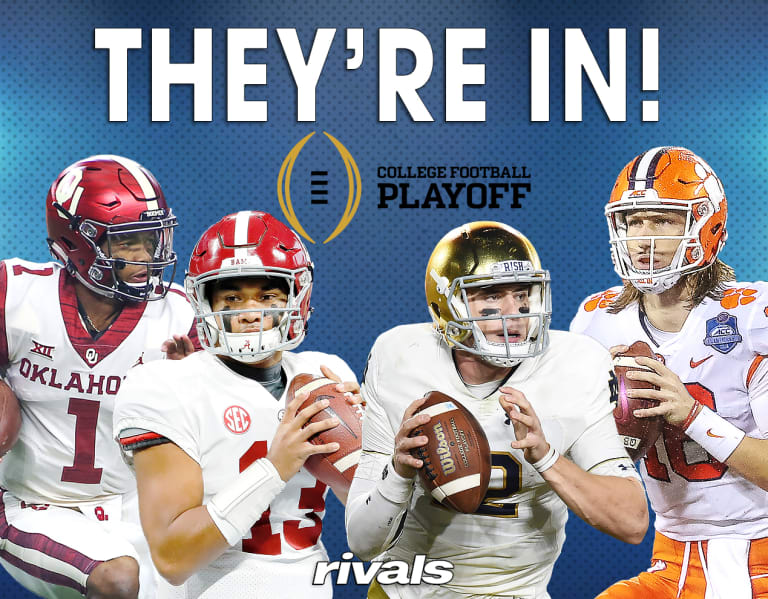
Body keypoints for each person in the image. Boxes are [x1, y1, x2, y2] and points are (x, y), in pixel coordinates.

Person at [345, 221, 648, 599]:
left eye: (523, 294)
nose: (515, 313)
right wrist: (398, 471)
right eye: (490, 294)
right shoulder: (400, 356)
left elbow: (632, 522)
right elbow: (362, 541)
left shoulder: (576, 365)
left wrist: (548, 457)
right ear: (446, 303)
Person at [113, 210, 360, 599]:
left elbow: (370, 526)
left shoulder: (323, 376)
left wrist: (375, 452)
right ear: (204, 302)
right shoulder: (164, 387)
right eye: (231, 297)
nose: (249, 312)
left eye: (266, 296)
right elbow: (174, 559)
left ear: (298, 296)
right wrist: (275, 469)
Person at [570, 146, 768, 598]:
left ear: (705, 225)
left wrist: (691, 415)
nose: (642, 237)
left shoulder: (753, 318)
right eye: (633, 221)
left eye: (661, 219)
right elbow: (585, 457)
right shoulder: (597, 320)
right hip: (671, 560)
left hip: (760, 555)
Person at [0, 155, 198, 599]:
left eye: (152, 241)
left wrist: (197, 390)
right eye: (129, 244)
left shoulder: (180, 316)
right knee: (119, 581)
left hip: (135, 507)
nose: (147, 258)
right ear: (78, 244)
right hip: (35, 502)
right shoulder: (15, 293)